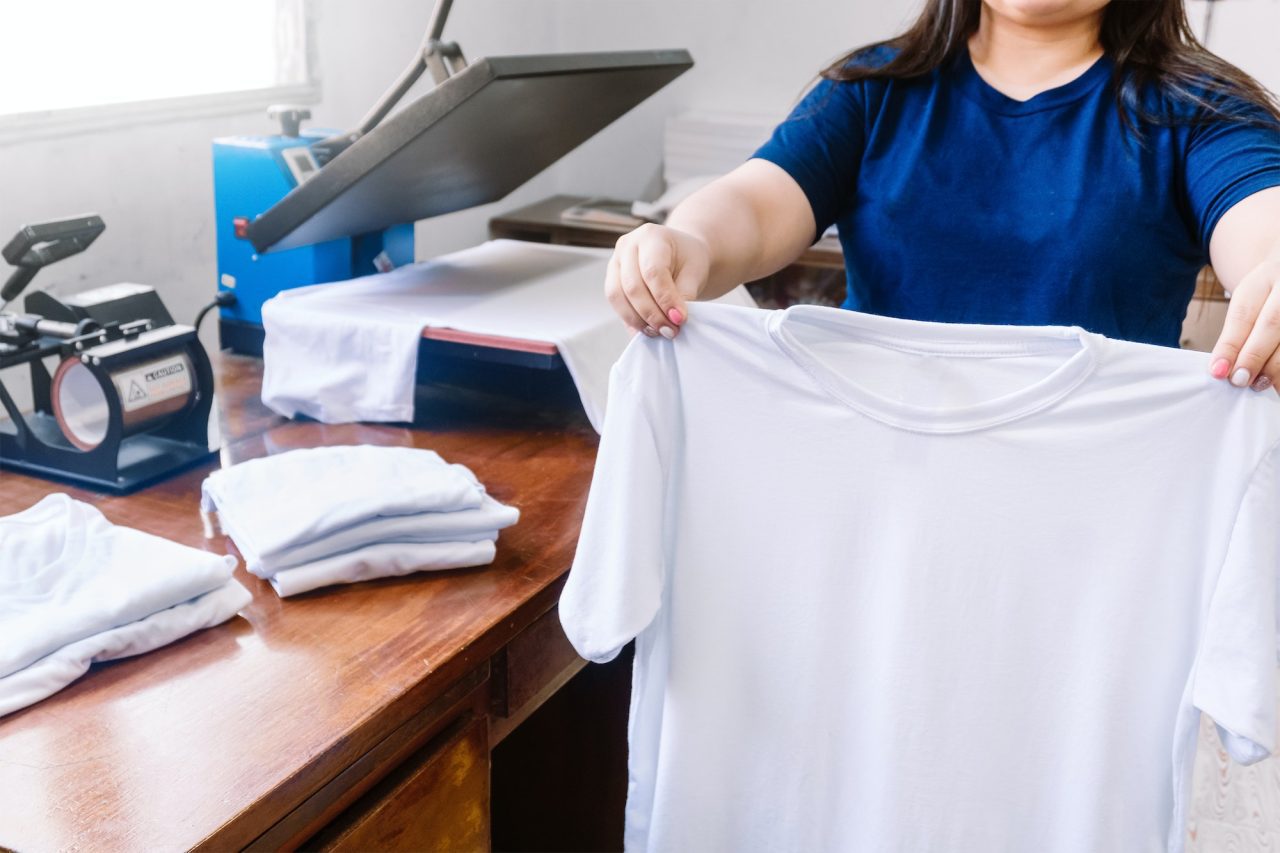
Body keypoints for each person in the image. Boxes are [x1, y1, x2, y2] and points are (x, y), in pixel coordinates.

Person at [606, 0, 1280, 391]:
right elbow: (752, 206)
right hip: (875, 484)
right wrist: (683, 240)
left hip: (1092, 507)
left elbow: (1262, 224)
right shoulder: (871, 91)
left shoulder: (1201, 110)